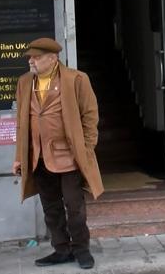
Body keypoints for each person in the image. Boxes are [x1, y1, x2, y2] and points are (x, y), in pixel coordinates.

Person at [11, 37, 102, 270]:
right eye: (30, 57)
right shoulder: (24, 82)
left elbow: (90, 116)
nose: (31, 61)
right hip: (38, 157)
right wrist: (19, 157)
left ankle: (81, 250)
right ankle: (62, 249)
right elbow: (21, 123)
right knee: (51, 208)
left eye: (36, 57)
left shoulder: (76, 79)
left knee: (74, 207)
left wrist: (86, 149)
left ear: (53, 58)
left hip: (69, 157)